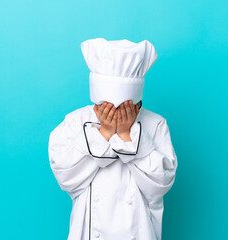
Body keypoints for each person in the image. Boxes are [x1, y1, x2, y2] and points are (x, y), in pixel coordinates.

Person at [48, 38, 178, 240]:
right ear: (96, 101)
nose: (116, 114)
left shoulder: (156, 124)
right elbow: (66, 177)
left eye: (124, 108)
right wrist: (105, 133)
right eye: (108, 106)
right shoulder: (75, 122)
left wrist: (127, 137)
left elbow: (161, 183)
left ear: (137, 104)